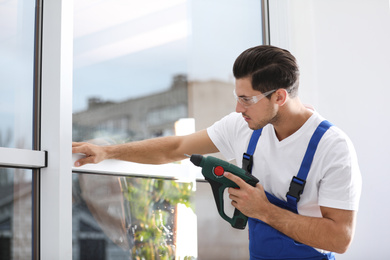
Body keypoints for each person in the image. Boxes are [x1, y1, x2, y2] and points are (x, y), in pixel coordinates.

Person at [73, 45, 362, 259]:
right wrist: (107, 151)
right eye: (237, 98)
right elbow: (176, 147)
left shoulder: (332, 148)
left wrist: (264, 210)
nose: (239, 109)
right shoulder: (242, 126)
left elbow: (340, 238)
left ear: (280, 97)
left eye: (246, 99)